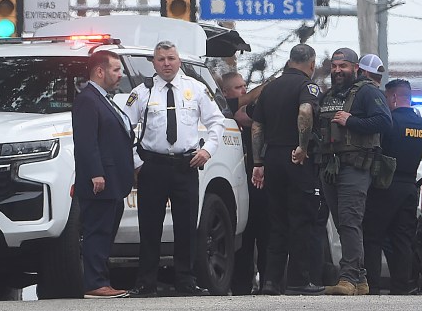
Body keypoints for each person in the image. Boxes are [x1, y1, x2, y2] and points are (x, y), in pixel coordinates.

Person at [123, 41, 226, 297]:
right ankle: (146, 282)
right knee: (149, 226)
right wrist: (136, 163)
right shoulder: (142, 92)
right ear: (154, 63)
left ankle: (186, 281)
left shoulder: (196, 89)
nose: (166, 63)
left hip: (186, 165)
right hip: (152, 166)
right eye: (161, 59)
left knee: (187, 225)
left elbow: (217, 121)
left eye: (170, 58)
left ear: (178, 60)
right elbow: (124, 127)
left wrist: (207, 150)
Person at [317, 48, 392, 295]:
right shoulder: (329, 95)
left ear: (356, 68)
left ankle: (347, 278)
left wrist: (352, 121)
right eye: (334, 66)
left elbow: (384, 121)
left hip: (355, 167)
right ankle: (360, 280)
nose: (338, 70)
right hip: (330, 167)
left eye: (344, 66)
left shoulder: (367, 92)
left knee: (350, 220)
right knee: (342, 223)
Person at [251, 43, 324, 296]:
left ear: (290, 60)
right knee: (302, 219)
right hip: (296, 159)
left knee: (277, 222)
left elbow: (257, 127)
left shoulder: (270, 88)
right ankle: (298, 280)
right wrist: (303, 146)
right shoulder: (308, 87)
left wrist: (258, 162)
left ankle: (271, 281)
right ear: (311, 64)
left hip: (272, 158)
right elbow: (305, 111)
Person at [72, 50, 134, 298]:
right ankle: (95, 283)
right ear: (100, 71)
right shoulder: (88, 99)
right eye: (116, 70)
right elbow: (86, 142)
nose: (120, 75)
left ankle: (101, 280)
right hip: (100, 180)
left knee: (106, 230)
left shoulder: (105, 99)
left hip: (115, 180)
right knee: (97, 230)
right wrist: (96, 173)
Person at [362, 78, 422, 295]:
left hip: (386, 186)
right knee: (402, 239)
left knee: (373, 237)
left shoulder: (390, 122)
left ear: (395, 97)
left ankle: (372, 286)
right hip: (410, 188)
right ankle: (401, 287)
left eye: (387, 98)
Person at [222, 72, 270, 295]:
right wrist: (261, 89)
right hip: (233, 189)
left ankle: (267, 282)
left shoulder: (252, 117)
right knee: (242, 241)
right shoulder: (224, 115)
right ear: (225, 94)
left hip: (256, 186)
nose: (244, 91)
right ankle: (240, 286)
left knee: (265, 234)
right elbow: (240, 113)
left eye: (245, 86)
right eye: (238, 87)